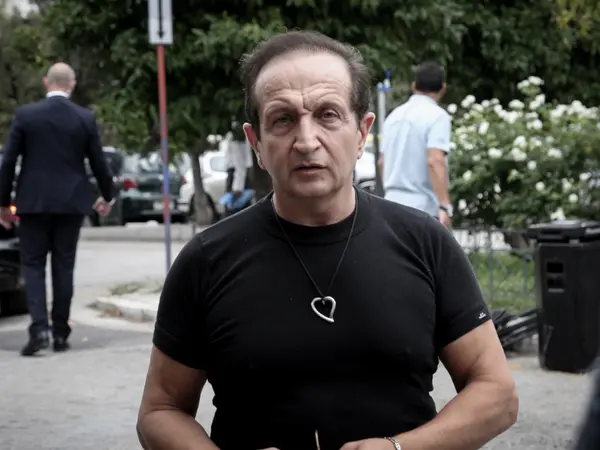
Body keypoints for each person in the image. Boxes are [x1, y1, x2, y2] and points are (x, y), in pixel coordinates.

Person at [137, 31, 518, 450]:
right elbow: (160, 410)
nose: (306, 141)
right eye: (283, 119)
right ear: (256, 142)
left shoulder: (425, 243)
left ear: (362, 132)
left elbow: (496, 394)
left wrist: (401, 449)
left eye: (328, 115)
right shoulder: (207, 260)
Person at [0, 62, 115, 356]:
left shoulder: (26, 116)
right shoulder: (84, 118)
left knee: (33, 265)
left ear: (45, 82)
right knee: (64, 266)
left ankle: (39, 330)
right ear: (72, 85)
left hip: (33, 202)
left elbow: (8, 161)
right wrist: (107, 196)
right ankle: (61, 332)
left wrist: (2, 203)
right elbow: (98, 161)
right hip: (71, 203)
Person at [379, 62, 453, 228]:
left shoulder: (393, 117)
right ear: (443, 88)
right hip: (422, 209)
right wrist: (444, 205)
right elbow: (435, 160)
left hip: (390, 205)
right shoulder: (438, 116)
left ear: (414, 86)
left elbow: (382, 162)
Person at [222, 128, 255, 216]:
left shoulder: (236, 134)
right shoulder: (232, 133)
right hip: (236, 176)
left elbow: (240, 162)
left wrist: (238, 187)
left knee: (236, 214)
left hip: (236, 178)